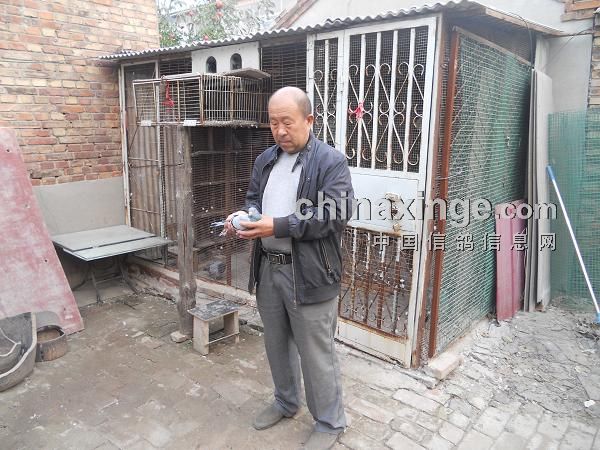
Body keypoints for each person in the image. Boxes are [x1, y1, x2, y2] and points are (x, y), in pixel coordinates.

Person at [224, 86, 354, 449]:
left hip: (310, 272)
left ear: (309, 120)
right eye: (273, 123)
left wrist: (278, 225)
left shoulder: (330, 162)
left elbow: (335, 213)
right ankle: (285, 402)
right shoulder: (266, 159)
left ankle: (329, 422)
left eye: (287, 122)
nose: (280, 131)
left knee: (316, 353)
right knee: (276, 344)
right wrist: (245, 218)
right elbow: (254, 200)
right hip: (269, 268)